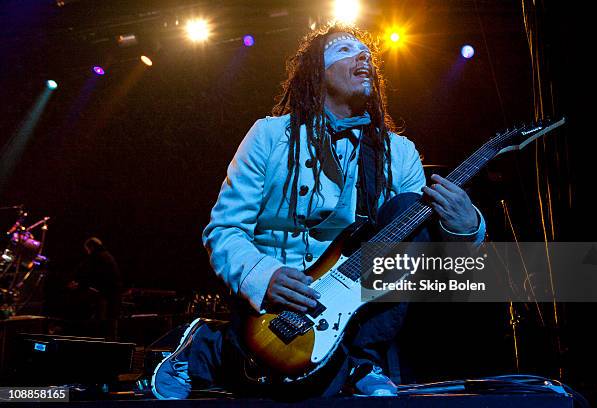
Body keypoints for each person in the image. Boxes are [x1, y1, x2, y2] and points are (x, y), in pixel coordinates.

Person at [153, 23, 485, 400]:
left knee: (411, 211)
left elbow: (421, 253)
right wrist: (264, 276)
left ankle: (364, 360)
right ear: (316, 73)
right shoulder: (269, 136)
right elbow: (224, 229)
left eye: (367, 54)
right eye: (346, 50)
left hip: (354, 306)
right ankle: (206, 347)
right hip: (277, 304)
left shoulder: (399, 152)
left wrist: (465, 228)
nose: (364, 57)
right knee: (274, 380)